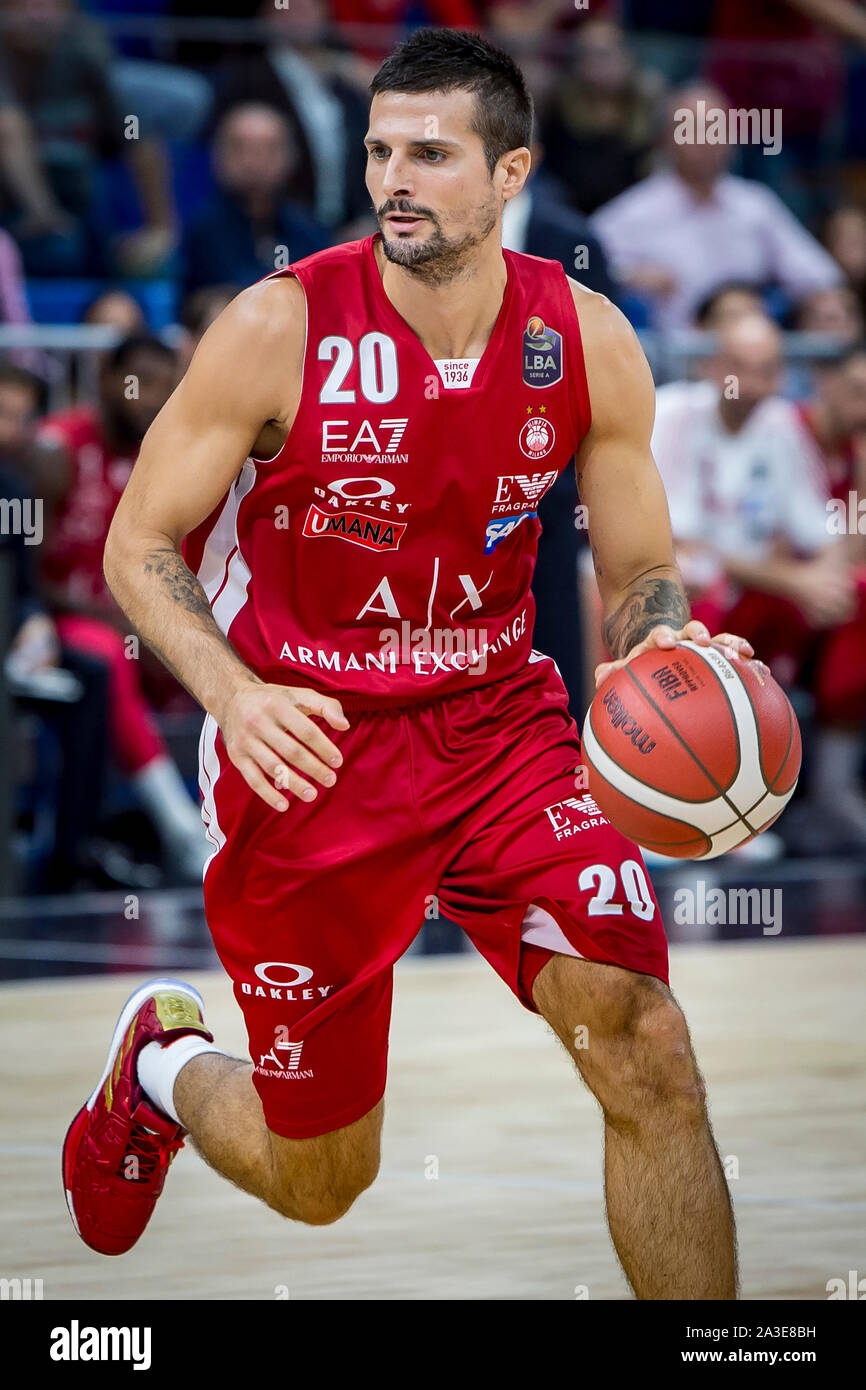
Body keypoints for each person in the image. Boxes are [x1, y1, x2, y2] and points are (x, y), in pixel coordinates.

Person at [65, 28, 756, 1299]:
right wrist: (233, 690)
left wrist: (657, 641)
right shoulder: (276, 324)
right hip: (311, 748)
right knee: (321, 1181)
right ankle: (160, 1065)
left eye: (431, 154)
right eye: (382, 149)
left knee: (646, 1043)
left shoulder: (584, 337)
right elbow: (136, 542)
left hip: (501, 734)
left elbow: (639, 570)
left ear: (509, 175)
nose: (395, 176)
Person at [652, 315, 866, 850]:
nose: (754, 383)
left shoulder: (779, 425)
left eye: (769, 370)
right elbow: (686, 544)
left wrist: (830, 574)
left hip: (757, 595)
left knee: (856, 594)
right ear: (711, 366)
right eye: (740, 368)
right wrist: (799, 580)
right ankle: (679, 799)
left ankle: (825, 793)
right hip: (683, 591)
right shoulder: (674, 413)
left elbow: (820, 531)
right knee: (702, 584)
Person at [24, 335, 209, 881]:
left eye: (162, 385)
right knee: (109, 655)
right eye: (140, 382)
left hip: (137, 618)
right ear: (107, 379)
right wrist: (129, 623)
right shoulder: (56, 452)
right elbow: (28, 580)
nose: (150, 397)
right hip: (59, 623)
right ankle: (185, 834)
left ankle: (243, 827)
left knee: (217, 644)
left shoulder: (164, 454)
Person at [591, 82, 842, 332]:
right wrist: (627, 276)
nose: (709, 141)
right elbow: (579, 265)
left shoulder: (756, 205)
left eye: (719, 129)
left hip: (753, 356)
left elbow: (819, 275)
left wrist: (822, 300)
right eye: (696, 130)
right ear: (666, 139)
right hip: (669, 362)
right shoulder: (635, 212)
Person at [181, 104, 330, 298]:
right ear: (217, 156)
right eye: (239, 148)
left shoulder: (309, 229)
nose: (253, 162)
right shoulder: (200, 229)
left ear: (292, 157)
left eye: (269, 149)